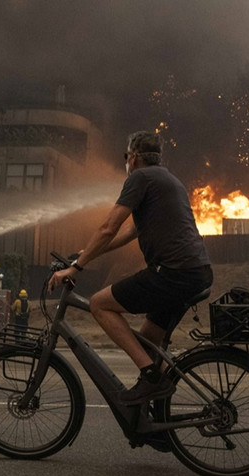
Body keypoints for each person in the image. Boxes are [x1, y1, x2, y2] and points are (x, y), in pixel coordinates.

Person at [48, 131, 213, 405]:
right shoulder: (169, 180)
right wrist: (88, 254)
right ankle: (158, 415)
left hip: (173, 273)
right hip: (195, 273)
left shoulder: (140, 178)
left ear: (134, 158)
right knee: (149, 339)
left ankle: (151, 377)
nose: (127, 162)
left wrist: (76, 268)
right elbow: (129, 231)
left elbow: (108, 227)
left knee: (100, 304)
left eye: (127, 157)